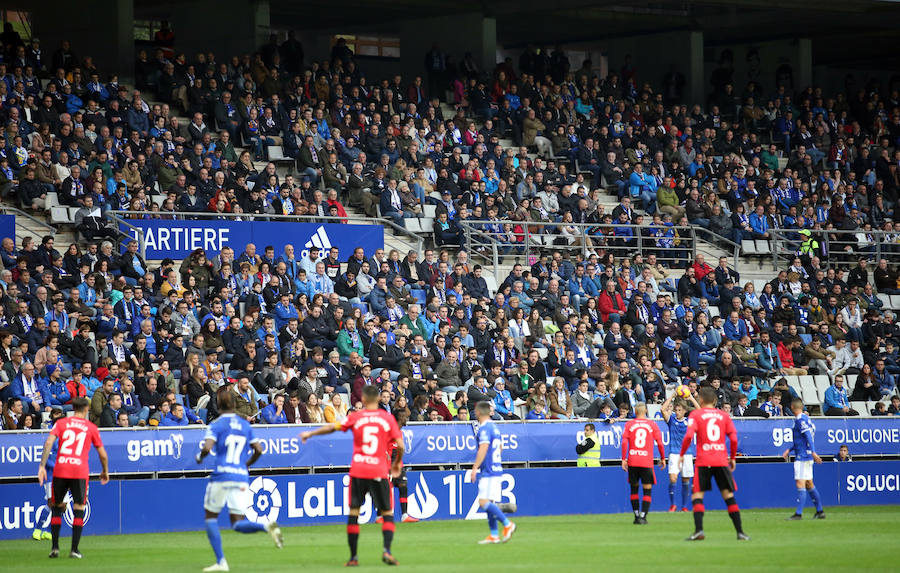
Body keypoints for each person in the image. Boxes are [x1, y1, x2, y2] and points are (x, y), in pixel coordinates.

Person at [300, 385, 404, 566]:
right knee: (387, 512)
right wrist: (396, 463)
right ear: (379, 399)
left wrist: (311, 433)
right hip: (378, 470)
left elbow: (333, 427)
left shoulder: (355, 417)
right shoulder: (387, 419)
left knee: (354, 512)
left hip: (359, 470)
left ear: (363, 400)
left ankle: (353, 558)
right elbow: (401, 446)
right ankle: (387, 551)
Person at [196, 387, 283, 572]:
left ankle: (221, 562)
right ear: (235, 405)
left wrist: (201, 456)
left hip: (221, 475)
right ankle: (267, 525)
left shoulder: (216, 425)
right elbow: (259, 449)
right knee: (237, 522)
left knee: (211, 517)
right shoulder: (245, 425)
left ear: (218, 405)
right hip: (241, 476)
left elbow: (208, 446)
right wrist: (246, 463)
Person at [37, 397, 110, 559]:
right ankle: (74, 550)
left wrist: (42, 466)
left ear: (73, 408)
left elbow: (48, 442)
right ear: (86, 409)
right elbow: (103, 455)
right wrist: (105, 470)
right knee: (78, 508)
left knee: (57, 507)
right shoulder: (90, 427)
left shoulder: (61, 424)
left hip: (60, 468)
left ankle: (55, 548)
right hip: (79, 471)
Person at [679, 387, 750, 542]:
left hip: (704, 460)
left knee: (697, 495)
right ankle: (740, 532)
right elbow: (733, 438)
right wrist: (732, 458)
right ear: (715, 401)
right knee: (728, 496)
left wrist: (682, 454)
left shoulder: (696, 415)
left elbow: (688, 436)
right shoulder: (723, 416)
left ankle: (699, 531)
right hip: (720, 459)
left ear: (702, 400)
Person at [469, 400, 516, 544]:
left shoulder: (484, 429)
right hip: (496, 468)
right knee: (489, 502)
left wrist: (475, 467)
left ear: (478, 412)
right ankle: (494, 535)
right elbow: (500, 447)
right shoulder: (494, 427)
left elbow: (483, 448)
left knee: (483, 502)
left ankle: (508, 524)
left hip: (489, 471)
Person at [620, 402, 665, 524]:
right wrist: (663, 458)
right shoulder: (652, 424)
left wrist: (623, 459)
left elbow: (624, 442)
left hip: (633, 460)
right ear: (645, 411)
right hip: (646, 462)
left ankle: (636, 516)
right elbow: (660, 443)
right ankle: (643, 516)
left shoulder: (629, 424)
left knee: (634, 489)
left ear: (635, 412)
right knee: (647, 489)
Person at [783, 399, 825, 520]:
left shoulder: (800, 420)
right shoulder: (807, 419)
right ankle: (820, 511)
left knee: (800, 483)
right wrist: (790, 449)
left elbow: (807, 436)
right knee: (809, 484)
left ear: (792, 407)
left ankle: (798, 514)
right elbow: (803, 439)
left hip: (802, 457)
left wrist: (813, 452)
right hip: (806, 455)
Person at [661, 392, 700, 512]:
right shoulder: (671, 420)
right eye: (676, 409)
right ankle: (673, 505)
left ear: (684, 411)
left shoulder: (689, 421)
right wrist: (672, 396)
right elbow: (663, 409)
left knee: (685, 480)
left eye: (679, 410)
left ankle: (684, 506)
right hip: (674, 453)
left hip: (687, 454)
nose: (676, 412)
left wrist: (692, 398)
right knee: (673, 478)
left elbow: (700, 412)